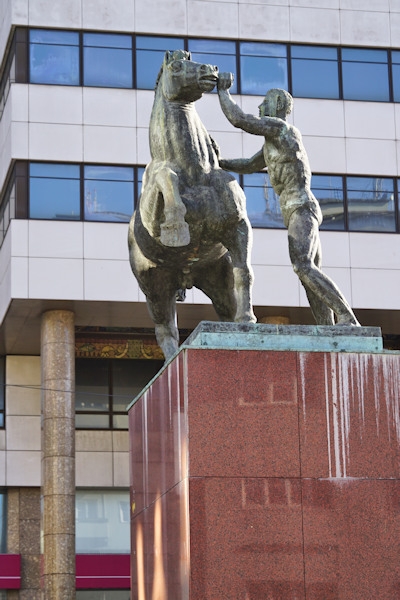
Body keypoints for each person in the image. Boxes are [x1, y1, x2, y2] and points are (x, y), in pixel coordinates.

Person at [217, 73, 360, 326]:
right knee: (307, 274)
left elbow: (240, 120)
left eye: (264, 103)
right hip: (297, 211)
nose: (260, 107)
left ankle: (347, 317)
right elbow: (248, 165)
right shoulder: (272, 145)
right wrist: (217, 163)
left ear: (277, 107)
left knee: (303, 266)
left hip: (301, 208)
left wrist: (222, 92)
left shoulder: (282, 130)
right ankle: (328, 328)